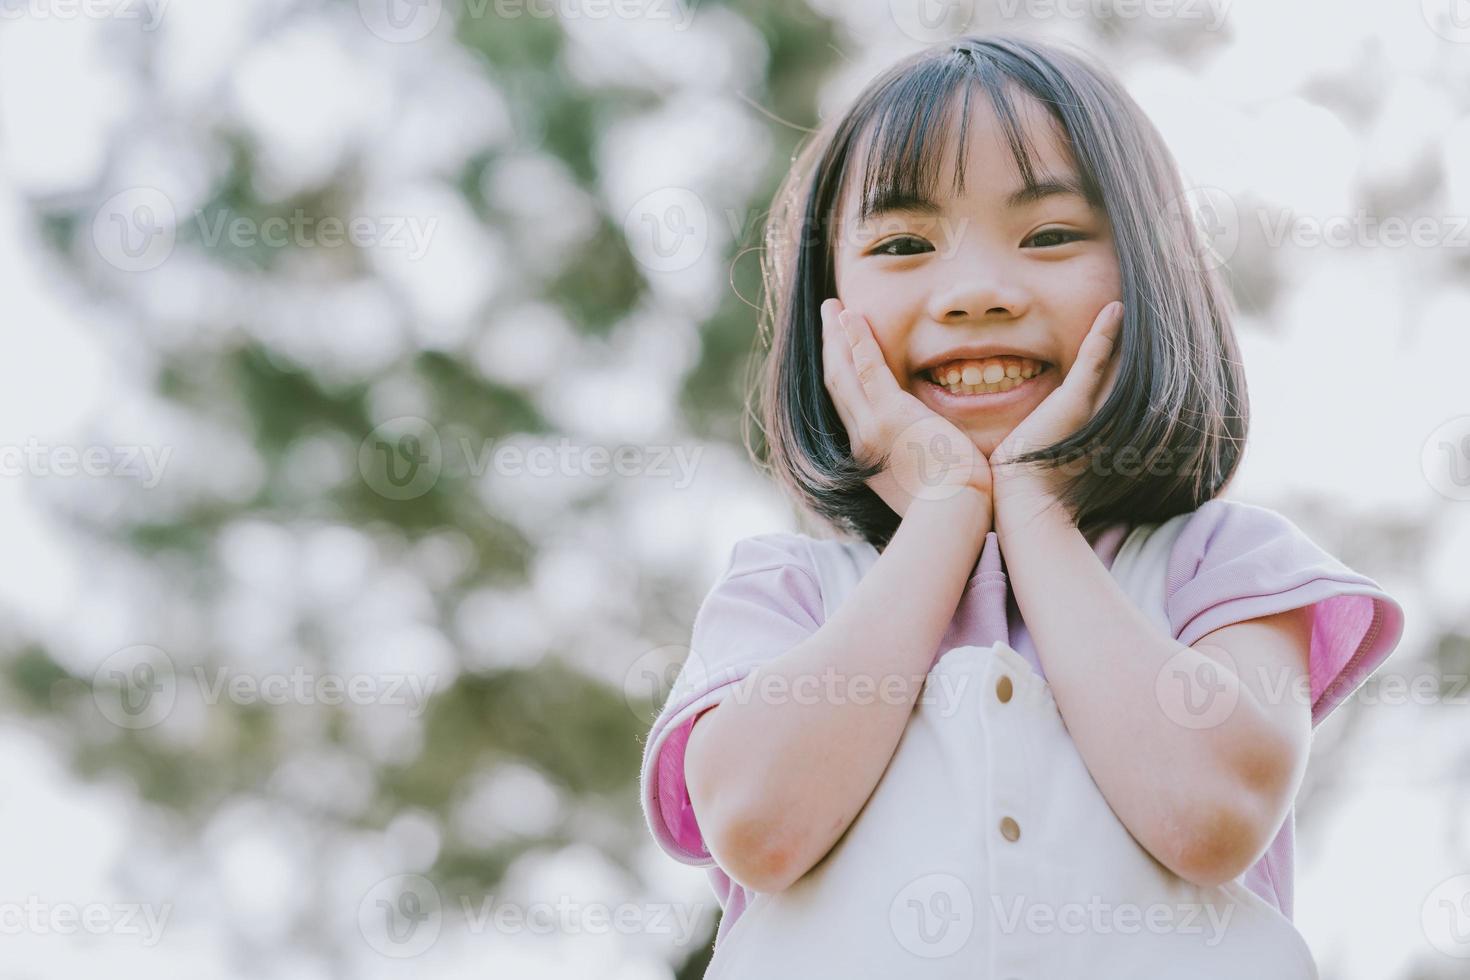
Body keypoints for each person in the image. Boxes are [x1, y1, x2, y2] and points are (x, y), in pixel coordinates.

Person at [638, 33, 1404, 977]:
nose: (976, 294)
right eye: (904, 244)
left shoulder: (1226, 568)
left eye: (1047, 235)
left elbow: (1211, 818)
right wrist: (946, 511)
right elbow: (759, 825)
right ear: (826, 312)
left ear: (1152, 276)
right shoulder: (787, 592)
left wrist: (1035, 507)